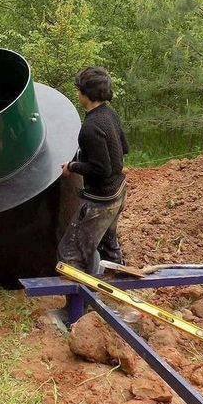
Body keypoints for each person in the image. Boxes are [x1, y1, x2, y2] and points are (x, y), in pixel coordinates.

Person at [58, 66, 129, 275]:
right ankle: (117, 285)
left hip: (102, 200)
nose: (77, 93)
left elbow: (101, 170)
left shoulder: (91, 126)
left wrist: (72, 166)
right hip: (119, 191)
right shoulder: (109, 113)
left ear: (85, 94)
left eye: (79, 90)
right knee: (108, 244)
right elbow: (124, 148)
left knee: (70, 253)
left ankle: (76, 305)